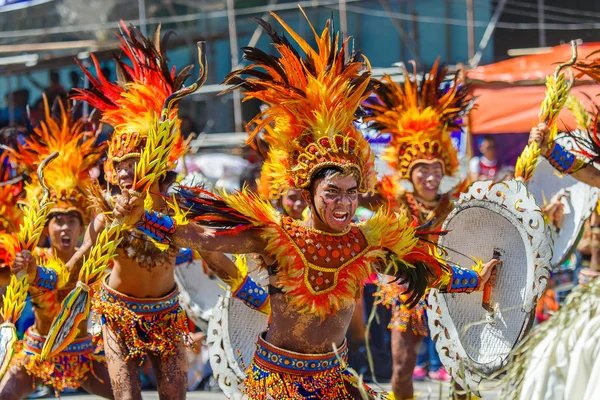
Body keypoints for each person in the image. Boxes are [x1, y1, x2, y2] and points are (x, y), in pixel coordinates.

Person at [115, 11, 498, 399]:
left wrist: (474, 279)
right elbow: (202, 236)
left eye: (351, 191)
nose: (345, 202)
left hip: (334, 382)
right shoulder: (277, 236)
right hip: (277, 385)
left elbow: (423, 268)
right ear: (310, 191)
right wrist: (142, 220)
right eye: (333, 191)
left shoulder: (366, 243)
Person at [55, 23, 198, 400]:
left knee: (174, 395)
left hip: (167, 315)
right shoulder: (105, 219)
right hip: (117, 315)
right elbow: (79, 265)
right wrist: (48, 277)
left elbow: (213, 255)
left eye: (131, 164)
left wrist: (254, 296)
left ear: (153, 167)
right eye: (117, 165)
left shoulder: (177, 212)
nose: (122, 174)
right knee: (127, 395)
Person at [363, 61, 471, 398]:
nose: (429, 176)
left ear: (443, 172)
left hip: (451, 288)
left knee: (464, 370)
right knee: (402, 368)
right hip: (408, 292)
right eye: (422, 170)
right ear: (411, 174)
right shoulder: (393, 201)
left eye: (435, 170)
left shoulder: (455, 203)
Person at [0, 97, 112, 399]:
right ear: (46, 228)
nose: (64, 227)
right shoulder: (33, 257)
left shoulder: (97, 260)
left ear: (82, 225)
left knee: (127, 393)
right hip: (37, 353)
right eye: (57, 221)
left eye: (71, 221)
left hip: (85, 355)